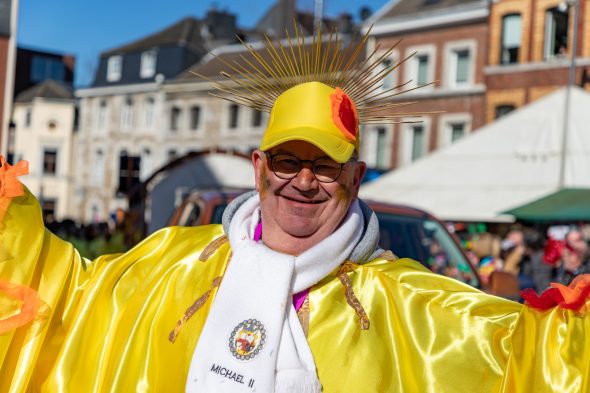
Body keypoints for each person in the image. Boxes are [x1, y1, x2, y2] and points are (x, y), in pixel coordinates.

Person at [1, 27, 590, 393]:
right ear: (258, 169)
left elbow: (518, 356)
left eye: (326, 165)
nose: (304, 181)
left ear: (355, 180)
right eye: (287, 161)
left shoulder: (410, 303)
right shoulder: (173, 264)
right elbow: (66, 300)